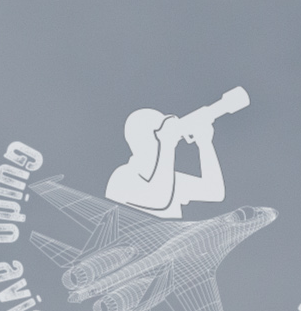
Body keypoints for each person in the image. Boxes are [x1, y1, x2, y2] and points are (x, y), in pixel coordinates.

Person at [104, 87, 247, 219]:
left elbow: (215, 192)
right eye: (161, 130)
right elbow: (158, 199)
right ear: (143, 138)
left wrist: (205, 144)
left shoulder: (169, 180)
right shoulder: (122, 178)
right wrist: (166, 144)